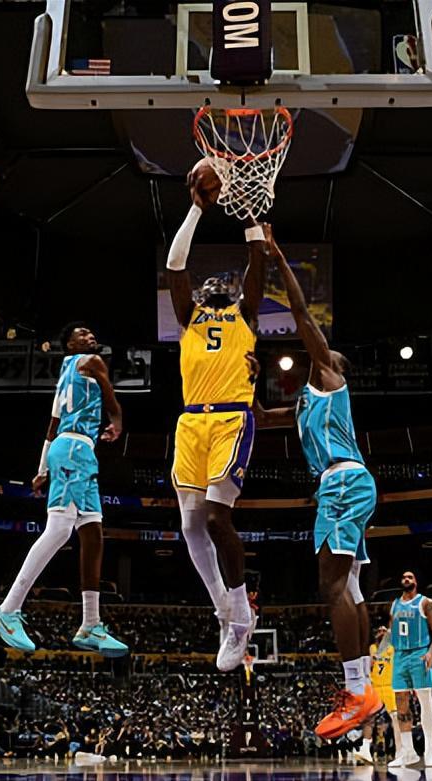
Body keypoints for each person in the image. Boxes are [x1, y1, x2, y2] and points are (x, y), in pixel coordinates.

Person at [251, 224, 381, 738]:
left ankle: (356, 691)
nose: (321, 358)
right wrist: (246, 377)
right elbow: (261, 417)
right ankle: (364, 684)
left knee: (330, 585)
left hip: (342, 483)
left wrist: (279, 260)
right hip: (348, 485)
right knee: (350, 586)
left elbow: (303, 315)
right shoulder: (306, 404)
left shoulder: (328, 378)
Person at [164, 180, 268, 670]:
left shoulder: (246, 314)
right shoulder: (189, 316)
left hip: (231, 417)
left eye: (221, 284)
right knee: (188, 523)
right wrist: (195, 210)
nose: (214, 286)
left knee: (214, 518)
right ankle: (224, 611)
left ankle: (242, 609)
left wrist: (250, 214)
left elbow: (257, 262)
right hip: (191, 422)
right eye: (208, 285)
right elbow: (175, 265)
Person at [0, 322, 129, 658]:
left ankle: (90, 623)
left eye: (92, 332)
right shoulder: (91, 361)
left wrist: (41, 470)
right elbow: (109, 392)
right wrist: (118, 419)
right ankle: (7, 610)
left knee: (92, 532)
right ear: (70, 345)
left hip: (74, 452)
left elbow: (51, 428)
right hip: (75, 450)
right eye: (82, 334)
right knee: (60, 529)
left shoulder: (66, 374)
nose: (90, 336)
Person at [384, 571, 432, 768]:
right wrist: (384, 641)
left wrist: (431, 652)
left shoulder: (425, 603)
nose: (406, 579)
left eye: (410, 577)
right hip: (399, 655)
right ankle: (408, 753)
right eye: (403, 577)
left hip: (419, 653)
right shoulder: (394, 604)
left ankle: (429, 752)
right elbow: (392, 630)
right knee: (401, 703)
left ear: (416, 581)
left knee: (425, 701)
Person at [355, 626, 403, 764]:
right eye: (379, 631)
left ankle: (400, 752)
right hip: (375, 687)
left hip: (389, 687)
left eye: (384, 631)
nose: (381, 633)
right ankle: (365, 749)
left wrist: (389, 633)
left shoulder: (393, 647)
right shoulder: (372, 648)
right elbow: (368, 666)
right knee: (369, 718)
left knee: (395, 720)